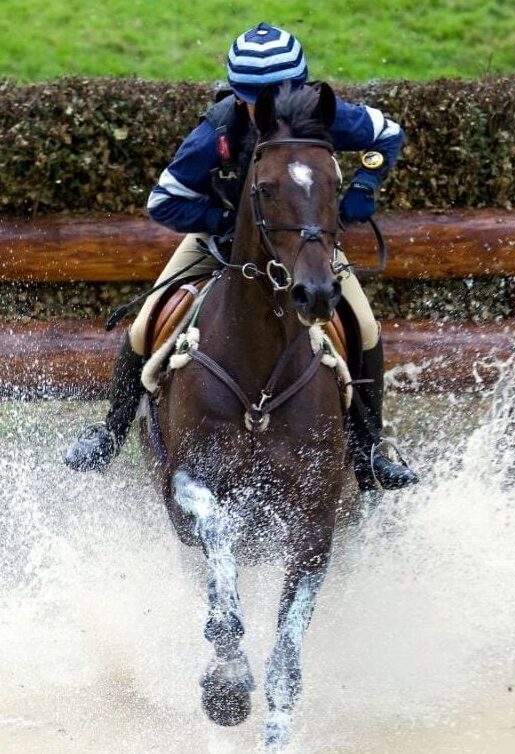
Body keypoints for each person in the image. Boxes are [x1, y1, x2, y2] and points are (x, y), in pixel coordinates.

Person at [65, 22, 419, 491]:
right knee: (144, 322)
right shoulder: (217, 133)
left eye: (281, 93)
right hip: (219, 248)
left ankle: (370, 449)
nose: (268, 108)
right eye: (256, 98)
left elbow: (388, 135)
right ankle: (110, 431)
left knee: (364, 327)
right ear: (238, 95)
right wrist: (224, 223)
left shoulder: (324, 116)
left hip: (305, 249)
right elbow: (163, 200)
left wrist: (364, 186)